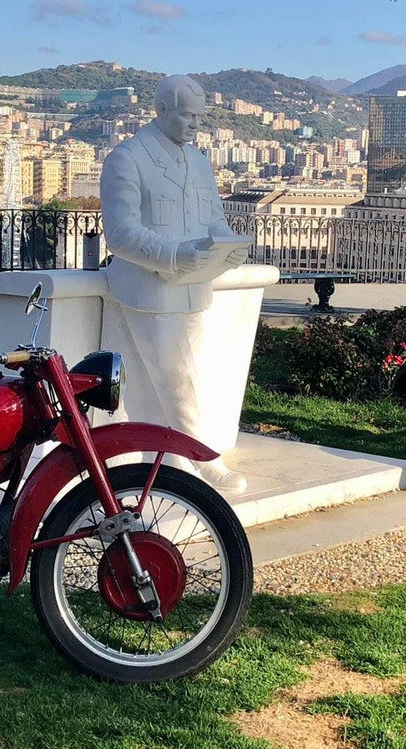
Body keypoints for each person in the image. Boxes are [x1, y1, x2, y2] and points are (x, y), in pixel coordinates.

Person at [100, 74, 250, 492]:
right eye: (186, 116)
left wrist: (228, 247)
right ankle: (202, 461)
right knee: (178, 380)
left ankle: (166, 463)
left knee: (178, 379)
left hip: (194, 290)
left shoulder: (199, 161)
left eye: (199, 117)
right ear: (162, 110)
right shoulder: (127, 158)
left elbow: (213, 217)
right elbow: (121, 232)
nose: (194, 125)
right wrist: (172, 254)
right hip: (149, 292)